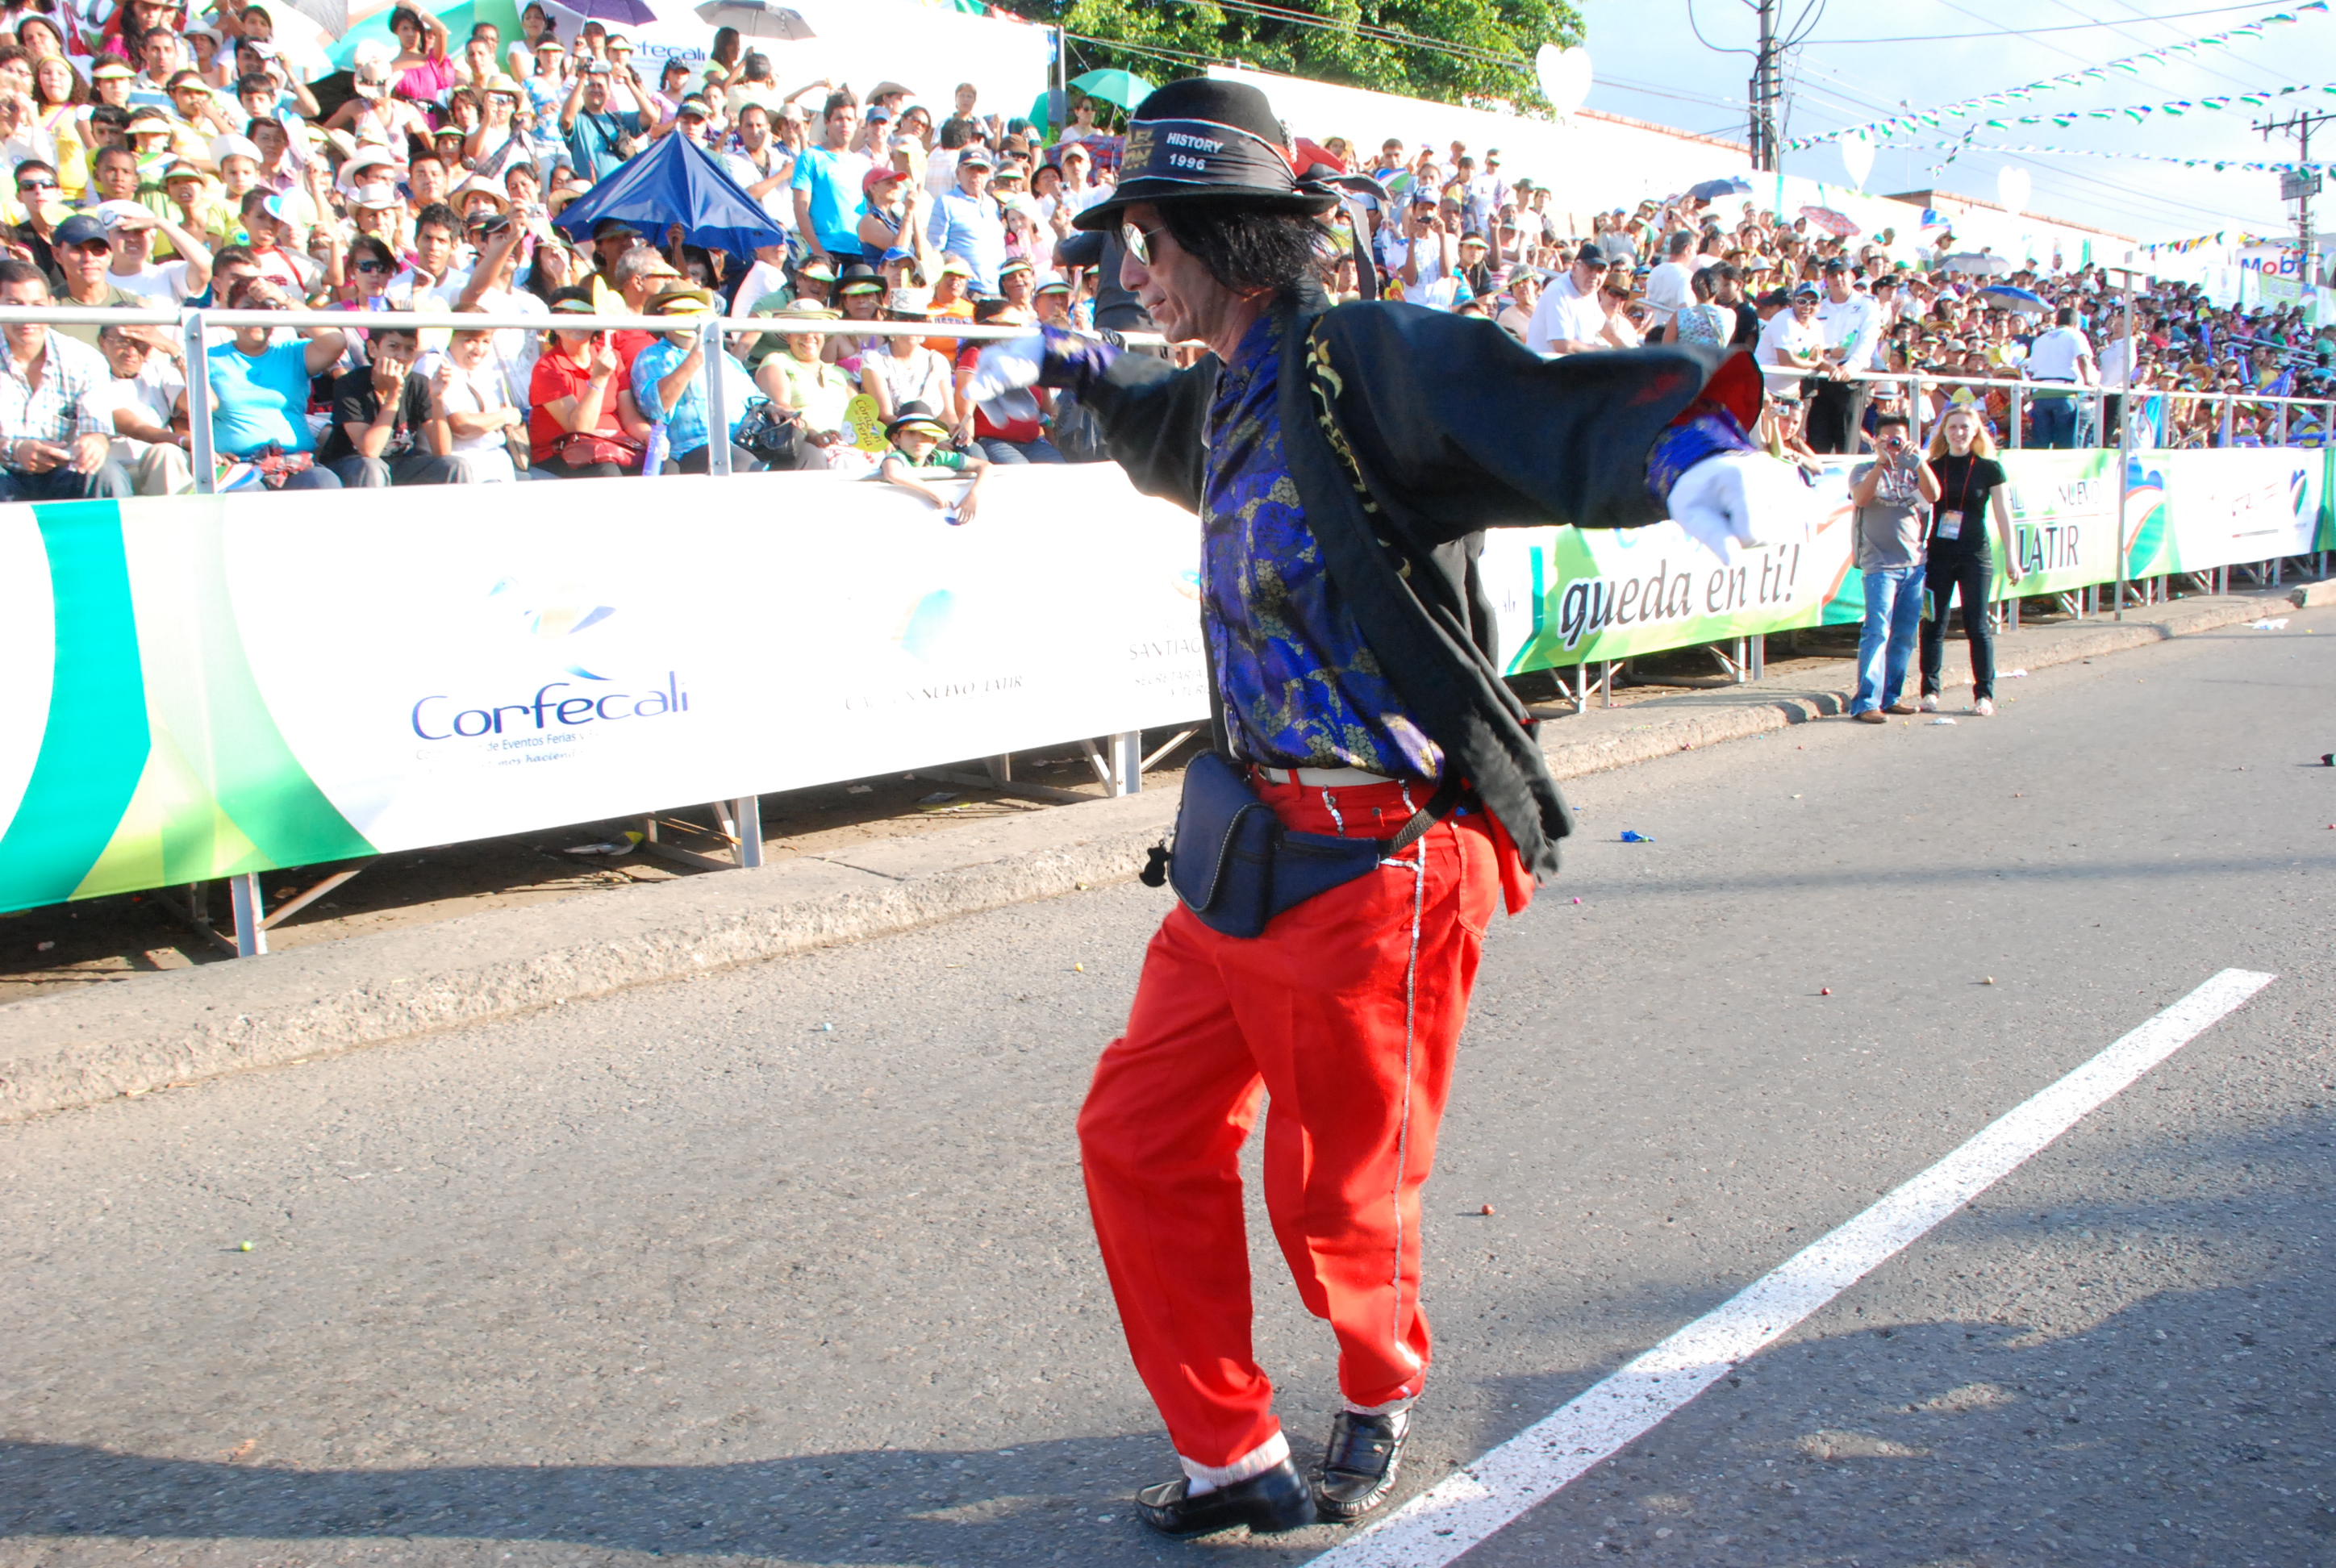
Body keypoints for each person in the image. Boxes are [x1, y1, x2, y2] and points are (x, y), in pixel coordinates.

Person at [964, 77, 1802, 1538]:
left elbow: (1506, 399)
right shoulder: (1229, 388)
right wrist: (1067, 376)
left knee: (1334, 1194)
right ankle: (1228, 1449)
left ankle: (1377, 1378)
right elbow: (1149, 422)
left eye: (1146, 240)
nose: (1129, 271)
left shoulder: (1350, 358)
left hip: (1373, 870)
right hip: (1240, 856)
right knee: (1136, 1134)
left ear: (1220, 235)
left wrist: (1685, 455)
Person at [0, 257, 134, 500]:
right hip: (4, 472)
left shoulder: (84, 359)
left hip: (65, 471)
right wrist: (14, 450)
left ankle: (114, 528)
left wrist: (94, 444)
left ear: (52, 305)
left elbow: (97, 433)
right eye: (14, 305)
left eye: (37, 305)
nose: (27, 316)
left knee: (107, 473)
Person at [1919, 404, 2021, 716]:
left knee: (1977, 626)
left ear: (1975, 431)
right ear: (1944, 432)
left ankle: (1984, 694)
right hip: (1939, 554)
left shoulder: (1990, 469)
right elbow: (1920, 509)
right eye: (1952, 427)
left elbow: (2003, 514)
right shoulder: (1933, 466)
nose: (1959, 433)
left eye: (1965, 426)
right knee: (1933, 623)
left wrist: (2012, 558)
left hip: (1976, 554)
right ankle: (1930, 691)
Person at [204, 273, 346, 489]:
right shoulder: (209, 358)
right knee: (245, 494)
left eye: (265, 308)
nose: (257, 316)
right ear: (230, 318)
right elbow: (187, 419)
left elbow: (335, 342)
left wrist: (285, 300)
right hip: (238, 466)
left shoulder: (292, 353)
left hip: (296, 463)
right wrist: (210, 453)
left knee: (324, 482)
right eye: (247, 308)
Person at [1846, 409, 1938, 723]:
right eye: (1886, 440)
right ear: (1875, 441)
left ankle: (1891, 696)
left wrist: (1919, 463)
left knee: (1904, 635)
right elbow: (1860, 498)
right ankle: (1865, 702)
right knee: (1876, 632)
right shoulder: (1863, 470)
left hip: (1914, 564)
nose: (1893, 445)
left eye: (1898, 440)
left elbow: (1933, 495)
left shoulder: (1914, 471)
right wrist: (1881, 463)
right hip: (1880, 566)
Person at [630, 285, 762, 474]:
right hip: (693, 448)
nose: (688, 318)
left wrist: (775, 408)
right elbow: (655, 408)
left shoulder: (726, 357)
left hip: (747, 439)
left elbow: (755, 398)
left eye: (693, 312)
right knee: (744, 463)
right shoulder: (651, 357)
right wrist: (693, 360)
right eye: (678, 313)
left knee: (802, 450)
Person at [317, 320, 468, 486]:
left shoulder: (419, 384)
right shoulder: (350, 384)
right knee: (373, 466)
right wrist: (393, 396)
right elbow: (369, 451)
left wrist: (437, 398)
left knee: (455, 465)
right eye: (393, 347)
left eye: (409, 349)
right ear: (373, 349)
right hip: (353, 465)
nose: (402, 356)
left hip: (399, 464)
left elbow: (443, 451)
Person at [528, 290, 652, 477]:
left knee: (665, 465)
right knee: (606, 471)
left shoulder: (611, 356)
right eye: (567, 315)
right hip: (561, 452)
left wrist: (649, 437)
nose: (576, 322)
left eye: (584, 315)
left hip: (614, 446)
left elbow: (630, 417)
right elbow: (580, 429)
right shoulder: (546, 368)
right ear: (554, 325)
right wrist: (599, 380)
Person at [791, 87, 867, 267]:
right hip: (827, 251)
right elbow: (801, 207)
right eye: (839, 119)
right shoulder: (811, 157)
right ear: (827, 122)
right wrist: (817, 249)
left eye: (850, 119)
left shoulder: (864, 164)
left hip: (860, 252)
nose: (845, 124)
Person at [877, 398, 988, 521]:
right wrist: (932, 491)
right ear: (896, 439)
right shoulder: (898, 456)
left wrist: (973, 495)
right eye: (911, 433)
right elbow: (892, 473)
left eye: (926, 434)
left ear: (934, 441)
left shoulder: (939, 456)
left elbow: (986, 467)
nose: (919, 439)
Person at [1523, 236, 1614, 353]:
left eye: (1600, 270)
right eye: (1590, 268)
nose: (1595, 275)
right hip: (1546, 363)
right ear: (1575, 268)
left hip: (1572, 362)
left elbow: (1603, 325)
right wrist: (1603, 352)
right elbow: (1564, 346)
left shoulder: (1590, 292)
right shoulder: (1557, 291)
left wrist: (1628, 350)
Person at [2023, 305, 2095, 449]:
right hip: (2064, 394)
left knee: (2041, 446)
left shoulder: (2041, 339)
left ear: (2056, 321)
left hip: (2040, 394)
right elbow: (2083, 358)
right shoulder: (2075, 335)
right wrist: (2089, 382)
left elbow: (2031, 370)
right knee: (2065, 447)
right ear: (2076, 324)